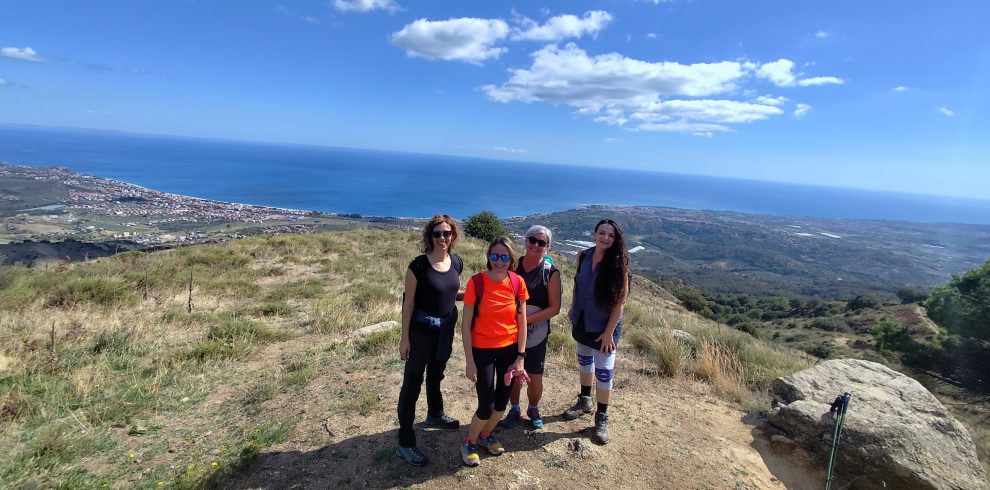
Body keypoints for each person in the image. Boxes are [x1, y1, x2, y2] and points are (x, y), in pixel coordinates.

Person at [395, 215, 463, 467]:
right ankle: (405, 442)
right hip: (420, 333)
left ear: (453, 235)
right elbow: (408, 304)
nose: (442, 238)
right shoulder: (418, 266)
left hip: (445, 331)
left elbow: (450, 292)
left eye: (447, 233)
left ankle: (435, 413)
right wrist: (405, 338)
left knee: (436, 375)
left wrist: (478, 294)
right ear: (430, 236)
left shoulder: (456, 262)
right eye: (437, 234)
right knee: (412, 384)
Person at [460, 236, 529, 467]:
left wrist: (520, 356)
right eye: (495, 256)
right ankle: (469, 442)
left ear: (511, 259)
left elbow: (522, 323)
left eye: (504, 257)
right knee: (486, 404)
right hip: (482, 350)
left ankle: (485, 435)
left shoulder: (517, 282)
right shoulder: (476, 282)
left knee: (501, 403)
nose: (499, 261)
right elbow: (465, 325)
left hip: (510, 350)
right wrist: (470, 362)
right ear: (488, 256)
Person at [563, 219, 630, 445]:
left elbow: (619, 304)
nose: (605, 238)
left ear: (616, 239)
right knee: (584, 360)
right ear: (595, 234)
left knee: (604, 372)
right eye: (602, 233)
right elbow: (577, 284)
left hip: (604, 327)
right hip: (583, 320)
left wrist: (609, 333)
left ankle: (601, 417)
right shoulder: (583, 255)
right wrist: (573, 307)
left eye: (611, 235)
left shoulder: (619, 267)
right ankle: (584, 400)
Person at [500, 225, 561, 430]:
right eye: (532, 240)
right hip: (510, 332)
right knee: (513, 373)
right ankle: (514, 409)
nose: (535, 245)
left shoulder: (550, 273)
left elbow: (554, 308)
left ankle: (533, 408)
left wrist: (525, 321)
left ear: (547, 247)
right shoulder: (512, 266)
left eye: (541, 242)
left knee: (535, 377)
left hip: (537, 334)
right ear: (525, 241)